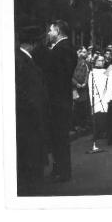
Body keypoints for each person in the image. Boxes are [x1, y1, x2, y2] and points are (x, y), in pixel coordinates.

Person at [42, 20, 77, 182]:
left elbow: (58, 76)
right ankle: (60, 169)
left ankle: (62, 172)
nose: (49, 33)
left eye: (51, 30)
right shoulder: (64, 48)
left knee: (59, 137)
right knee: (58, 137)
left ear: (58, 31)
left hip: (58, 100)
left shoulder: (62, 49)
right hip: (60, 99)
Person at [15, 24, 46, 195]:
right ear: (33, 43)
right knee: (30, 152)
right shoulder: (22, 61)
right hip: (29, 116)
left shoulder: (23, 59)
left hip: (30, 115)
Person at [87, 54, 108, 145]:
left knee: (104, 113)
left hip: (105, 95)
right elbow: (90, 85)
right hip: (96, 95)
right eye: (99, 60)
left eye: (103, 60)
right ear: (95, 61)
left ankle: (104, 131)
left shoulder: (106, 71)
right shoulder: (92, 72)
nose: (102, 62)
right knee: (96, 114)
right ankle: (97, 133)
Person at [71, 47, 90, 133]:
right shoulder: (73, 63)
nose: (84, 54)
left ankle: (83, 125)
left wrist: (85, 83)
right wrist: (76, 84)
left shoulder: (86, 64)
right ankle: (76, 125)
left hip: (83, 88)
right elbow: (71, 75)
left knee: (83, 106)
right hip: (75, 88)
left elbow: (87, 74)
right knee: (76, 107)